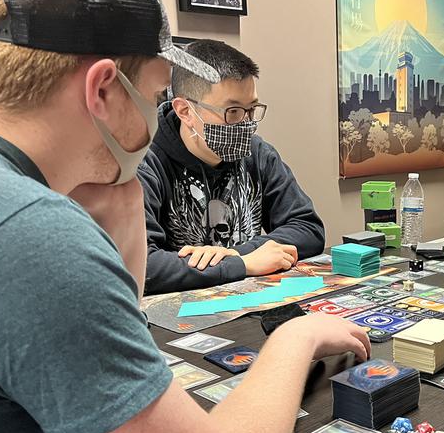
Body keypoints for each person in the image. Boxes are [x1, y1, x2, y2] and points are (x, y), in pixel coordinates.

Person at [0, 0, 369, 433]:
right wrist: (297, 336)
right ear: (104, 89)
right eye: (158, 96)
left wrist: (123, 191)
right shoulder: (29, 236)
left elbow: (121, 326)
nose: (157, 119)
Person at [139, 39, 324, 295]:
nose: (246, 124)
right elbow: (142, 265)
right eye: (233, 111)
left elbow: (308, 228)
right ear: (185, 111)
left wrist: (236, 253)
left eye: (251, 109)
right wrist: (241, 264)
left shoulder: (258, 153)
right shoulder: (145, 163)